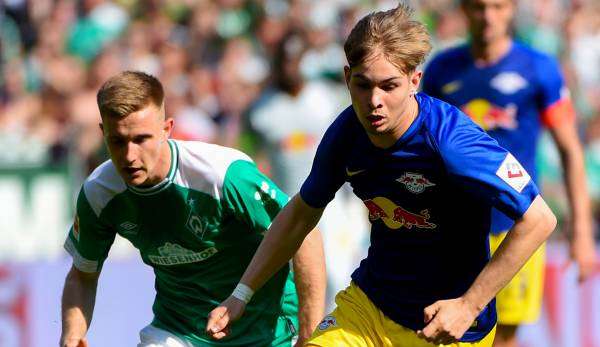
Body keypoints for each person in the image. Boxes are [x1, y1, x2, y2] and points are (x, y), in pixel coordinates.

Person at [206, 4, 556, 347]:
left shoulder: (452, 142)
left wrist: (468, 305)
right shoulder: (346, 133)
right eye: (363, 85)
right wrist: (241, 293)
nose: (374, 100)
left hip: (447, 328)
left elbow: (539, 218)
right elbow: (301, 213)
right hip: (370, 308)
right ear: (347, 78)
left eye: (389, 86)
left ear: (414, 80)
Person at [59, 71, 326, 347]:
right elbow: (82, 275)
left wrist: (309, 336)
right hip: (178, 332)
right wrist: (72, 334)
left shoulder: (222, 175)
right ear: (103, 133)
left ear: (167, 129)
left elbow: (303, 232)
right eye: (117, 141)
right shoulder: (99, 193)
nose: (129, 156)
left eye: (141, 140)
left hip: (268, 333)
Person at [421, 1, 597, 346]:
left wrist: (583, 232)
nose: (488, 16)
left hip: (517, 227)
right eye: (478, 7)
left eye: (497, 6)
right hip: (454, 230)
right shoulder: (442, 71)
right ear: (464, 9)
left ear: (512, 9)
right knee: (446, 330)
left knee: (502, 336)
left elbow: (570, 151)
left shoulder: (539, 68)